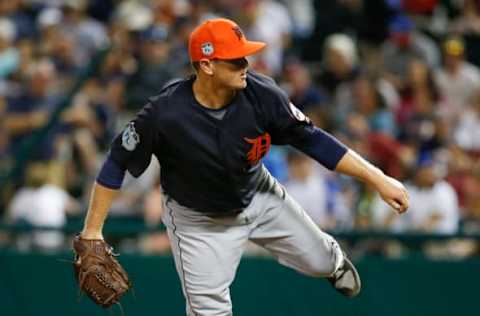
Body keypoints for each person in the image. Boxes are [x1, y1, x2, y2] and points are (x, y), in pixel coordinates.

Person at [78, 18, 409, 316]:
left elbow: (314, 141)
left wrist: (377, 178)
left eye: (245, 55)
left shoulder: (262, 94)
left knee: (321, 261)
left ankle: (333, 262)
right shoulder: (164, 114)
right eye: (235, 58)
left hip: (260, 196)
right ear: (206, 64)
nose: (245, 64)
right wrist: (92, 230)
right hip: (198, 224)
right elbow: (116, 161)